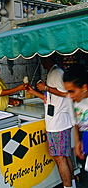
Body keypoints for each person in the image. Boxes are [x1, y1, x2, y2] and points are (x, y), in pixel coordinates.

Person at [27, 55, 76, 188]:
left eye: (43, 60)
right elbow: (48, 98)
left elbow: (64, 93)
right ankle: (71, 185)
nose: (41, 63)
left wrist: (46, 87)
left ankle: (67, 186)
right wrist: (34, 91)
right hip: (59, 121)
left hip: (58, 122)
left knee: (60, 158)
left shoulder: (57, 72)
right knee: (64, 156)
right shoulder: (53, 73)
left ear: (49, 60)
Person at [63, 65, 88, 172]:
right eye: (68, 91)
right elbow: (74, 121)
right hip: (84, 135)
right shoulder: (71, 99)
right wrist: (77, 141)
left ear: (84, 88)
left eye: (72, 91)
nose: (70, 96)